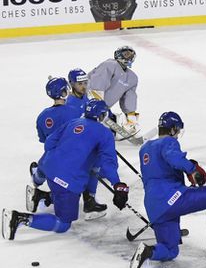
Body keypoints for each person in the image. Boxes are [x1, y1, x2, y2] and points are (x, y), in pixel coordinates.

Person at [3, 100, 128, 241]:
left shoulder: (74, 122)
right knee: (63, 224)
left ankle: (40, 195)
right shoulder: (105, 133)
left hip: (47, 167)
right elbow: (108, 163)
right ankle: (19, 218)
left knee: (67, 190)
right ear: (102, 115)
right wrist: (117, 185)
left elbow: (49, 143)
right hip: (66, 180)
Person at [129, 112, 206, 268]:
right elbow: (174, 158)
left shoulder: (145, 148)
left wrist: (186, 170)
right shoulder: (168, 142)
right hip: (172, 199)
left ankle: (148, 251)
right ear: (172, 129)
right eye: (177, 131)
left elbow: (163, 167)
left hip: (154, 207)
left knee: (170, 251)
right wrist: (193, 170)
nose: (177, 135)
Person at [27, 78, 92, 214]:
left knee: (46, 162)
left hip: (50, 158)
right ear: (64, 92)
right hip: (71, 160)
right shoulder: (74, 112)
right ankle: (88, 202)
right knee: (80, 179)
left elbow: (44, 140)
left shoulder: (42, 116)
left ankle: (37, 178)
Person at [89, 45, 140, 136]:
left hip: (104, 109)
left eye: (132, 55)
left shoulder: (132, 78)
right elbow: (97, 84)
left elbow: (129, 98)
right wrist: (96, 104)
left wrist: (131, 118)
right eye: (126, 54)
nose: (130, 57)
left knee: (111, 132)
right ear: (118, 55)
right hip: (87, 103)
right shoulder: (110, 64)